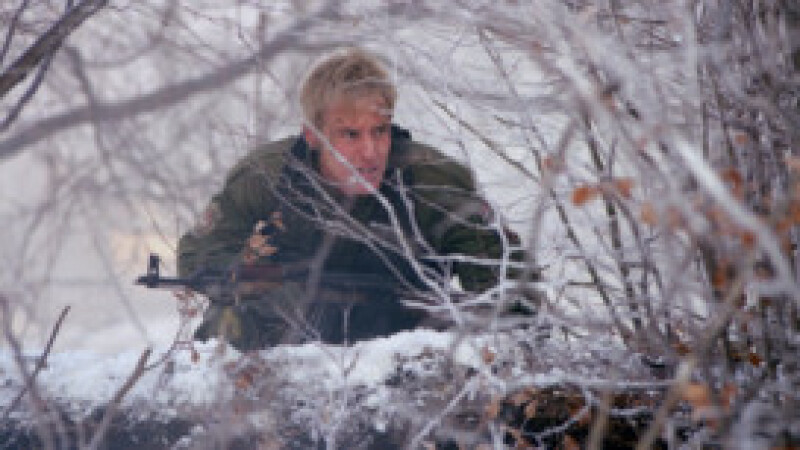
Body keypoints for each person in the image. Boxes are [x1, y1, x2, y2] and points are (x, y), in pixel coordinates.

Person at [177, 48, 521, 350]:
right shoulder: (267, 177)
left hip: (405, 341)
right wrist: (248, 273)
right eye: (350, 135)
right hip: (285, 341)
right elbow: (196, 256)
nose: (370, 152)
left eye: (380, 131)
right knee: (227, 323)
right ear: (313, 136)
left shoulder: (433, 182)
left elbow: (507, 286)